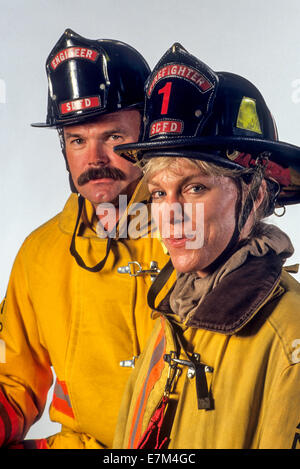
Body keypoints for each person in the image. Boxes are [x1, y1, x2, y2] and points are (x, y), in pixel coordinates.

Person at [112, 43, 300, 449]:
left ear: (257, 193)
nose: (170, 215)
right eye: (159, 194)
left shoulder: (289, 337)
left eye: (194, 188)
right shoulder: (173, 312)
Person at [0, 30, 174, 449]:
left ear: (147, 135)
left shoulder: (190, 237)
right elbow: (13, 380)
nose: (94, 159)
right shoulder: (40, 253)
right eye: (77, 140)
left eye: (113, 137)